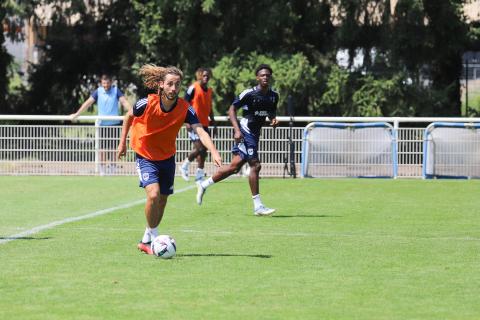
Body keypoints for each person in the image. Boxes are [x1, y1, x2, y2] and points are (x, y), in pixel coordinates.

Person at [117, 65, 222, 255]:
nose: (174, 88)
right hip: (145, 153)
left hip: (167, 156)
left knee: (163, 200)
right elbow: (128, 117)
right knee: (154, 195)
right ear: (161, 85)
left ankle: (146, 240)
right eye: (170, 84)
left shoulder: (185, 108)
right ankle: (155, 239)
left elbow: (199, 129)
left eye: (177, 85)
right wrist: (122, 143)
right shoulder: (147, 103)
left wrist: (214, 151)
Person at [196, 64, 279, 216]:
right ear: (257, 78)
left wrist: (273, 120)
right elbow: (231, 110)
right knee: (256, 165)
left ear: (270, 77)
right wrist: (237, 130)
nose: (265, 77)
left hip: (255, 134)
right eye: (262, 75)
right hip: (245, 130)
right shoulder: (249, 94)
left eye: (268, 75)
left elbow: (271, 113)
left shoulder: (274, 96)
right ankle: (258, 206)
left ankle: (204, 184)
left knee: (234, 167)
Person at [70, 74, 131, 175]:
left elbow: (124, 102)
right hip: (102, 124)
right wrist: (77, 114)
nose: (106, 85)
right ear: (101, 83)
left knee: (112, 148)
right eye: (104, 83)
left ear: (111, 82)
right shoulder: (98, 91)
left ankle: (112, 168)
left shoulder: (116, 91)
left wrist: (133, 113)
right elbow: (88, 102)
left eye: (107, 83)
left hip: (114, 124)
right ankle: (102, 168)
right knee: (102, 149)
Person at [180, 68, 216, 182]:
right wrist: (186, 121)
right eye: (203, 75)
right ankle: (184, 166)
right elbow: (184, 103)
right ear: (199, 76)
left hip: (205, 124)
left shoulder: (209, 90)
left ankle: (199, 175)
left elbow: (210, 108)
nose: (206, 77)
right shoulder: (193, 88)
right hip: (193, 123)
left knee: (204, 150)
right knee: (200, 147)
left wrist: (213, 123)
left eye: (207, 75)